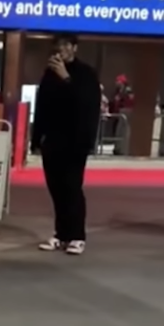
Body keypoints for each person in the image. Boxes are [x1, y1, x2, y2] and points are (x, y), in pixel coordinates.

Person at [31, 33, 101, 256]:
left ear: (74, 48)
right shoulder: (49, 74)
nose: (60, 50)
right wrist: (36, 138)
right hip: (52, 140)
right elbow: (41, 106)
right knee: (56, 189)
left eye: (64, 46)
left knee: (72, 188)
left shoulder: (86, 74)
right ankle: (61, 234)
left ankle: (77, 236)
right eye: (57, 46)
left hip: (76, 141)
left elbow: (87, 105)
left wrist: (66, 78)